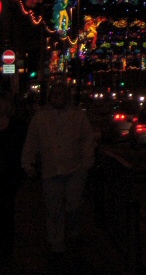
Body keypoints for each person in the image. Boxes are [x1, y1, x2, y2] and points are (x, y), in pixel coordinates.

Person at [21, 81, 95, 263]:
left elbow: (88, 139)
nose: (58, 98)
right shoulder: (40, 118)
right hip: (51, 169)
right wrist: (28, 163)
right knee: (53, 208)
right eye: (55, 95)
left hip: (75, 168)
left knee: (73, 204)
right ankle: (56, 242)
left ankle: (73, 232)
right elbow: (32, 142)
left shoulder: (78, 116)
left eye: (62, 95)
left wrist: (87, 161)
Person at [0, 90, 28, 275]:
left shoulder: (17, 126)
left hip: (9, 176)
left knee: (7, 211)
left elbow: (23, 149)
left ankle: (6, 250)